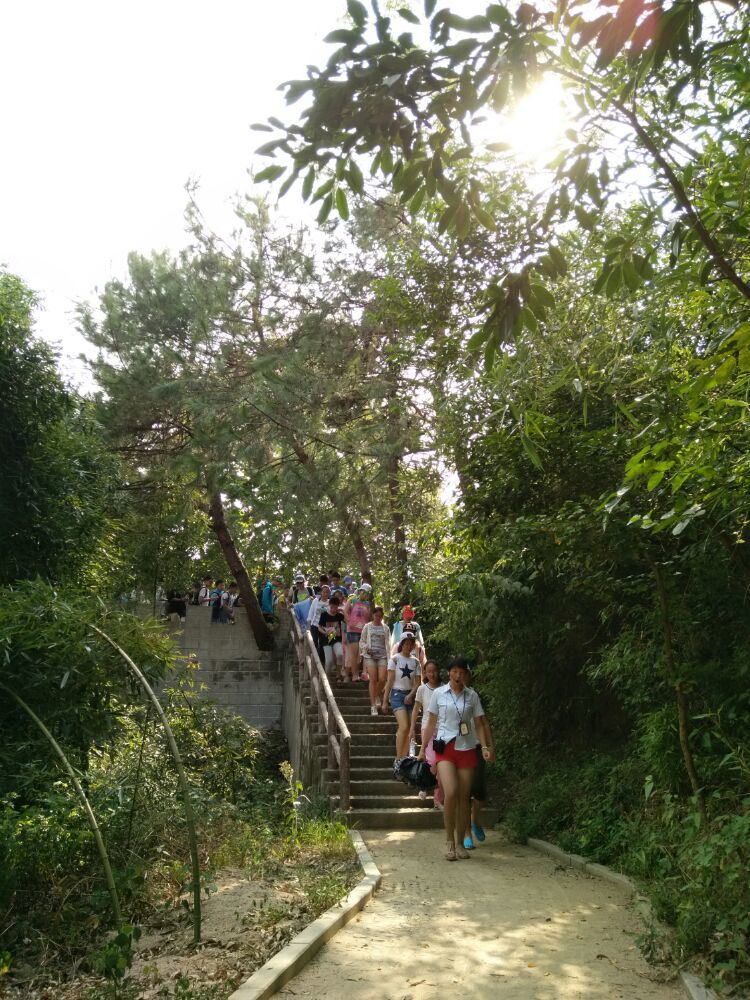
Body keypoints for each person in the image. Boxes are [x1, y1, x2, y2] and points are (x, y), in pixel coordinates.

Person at [418, 656, 494, 861]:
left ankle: (460, 843)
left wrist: (484, 746)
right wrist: (422, 748)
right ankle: (449, 842)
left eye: (462, 672)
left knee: (464, 797)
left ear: (466, 674)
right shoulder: (439, 694)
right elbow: (431, 722)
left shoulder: (472, 695)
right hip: (445, 748)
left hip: (467, 748)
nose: (458, 675)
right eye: (454, 671)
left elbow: (479, 723)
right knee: (450, 792)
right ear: (449, 673)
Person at [409, 660, 444, 808]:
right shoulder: (422, 689)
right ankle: (424, 784)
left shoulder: (445, 688)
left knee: (442, 765)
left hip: (443, 729)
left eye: (434, 671)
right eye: (429, 671)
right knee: (432, 760)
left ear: (438, 671)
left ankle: (438, 799)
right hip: (427, 728)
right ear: (425, 673)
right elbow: (416, 709)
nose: (432, 674)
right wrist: (412, 728)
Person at [382, 633, 421, 758]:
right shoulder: (394, 659)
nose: (409, 646)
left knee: (409, 728)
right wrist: (385, 701)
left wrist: (411, 695)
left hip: (411, 696)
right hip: (397, 695)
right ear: (402, 644)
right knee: (404, 726)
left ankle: (404, 758)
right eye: (407, 643)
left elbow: (418, 682)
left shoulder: (416, 662)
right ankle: (398, 758)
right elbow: (390, 681)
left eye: (411, 644)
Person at [360, 607, 391, 716]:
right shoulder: (367, 627)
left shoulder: (386, 628)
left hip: (383, 656)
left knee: (382, 679)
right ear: (373, 615)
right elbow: (362, 641)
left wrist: (390, 657)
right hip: (370, 656)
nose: (378, 618)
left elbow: (389, 643)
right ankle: (373, 705)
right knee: (373, 679)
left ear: (382, 616)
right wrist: (366, 648)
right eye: (376, 615)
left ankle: (377, 695)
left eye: (380, 616)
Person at [343, 583, 372, 682]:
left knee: (362, 654)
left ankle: (362, 674)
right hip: (352, 631)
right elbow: (345, 611)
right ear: (360, 591)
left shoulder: (368, 604)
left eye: (367, 593)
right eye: (364, 592)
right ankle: (355, 675)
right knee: (354, 654)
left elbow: (369, 617)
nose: (365, 595)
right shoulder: (352, 600)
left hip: (363, 631)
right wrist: (348, 621)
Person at [317, 594, 347, 679]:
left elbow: (347, 621)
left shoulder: (339, 615)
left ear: (338, 606)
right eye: (332, 607)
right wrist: (324, 632)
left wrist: (343, 611)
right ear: (329, 605)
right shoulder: (324, 615)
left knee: (340, 654)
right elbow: (319, 627)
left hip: (337, 639)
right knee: (329, 661)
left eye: (335, 607)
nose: (333, 609)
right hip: (325, 640)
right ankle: (327, 677)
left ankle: (338, 674)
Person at [307, 584, 331, 663]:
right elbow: (311, 612)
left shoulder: (330, 603)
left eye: (327, 592)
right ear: (321, 593)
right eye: (324, 592)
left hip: (324, 627)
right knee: (314, 643)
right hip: (315, 625)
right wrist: (309, 624)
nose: (325, 594)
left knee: (323, 644)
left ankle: (322, 662)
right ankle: (312, 660)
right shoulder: (316, 601)